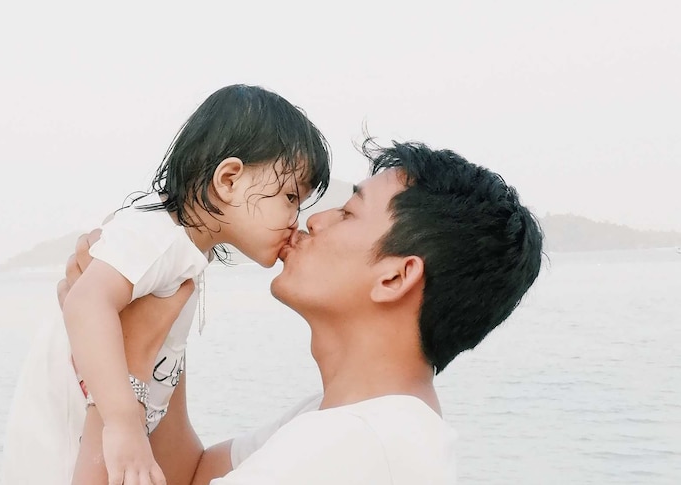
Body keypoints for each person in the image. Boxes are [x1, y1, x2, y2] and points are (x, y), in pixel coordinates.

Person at [59, 138, 544, 484]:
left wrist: (126, 363)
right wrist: (160, 310)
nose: (314, 218)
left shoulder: (353, 447)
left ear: (395, 277)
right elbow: (191, 474)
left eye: (349, 212)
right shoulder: (353, 422)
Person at [1, 84, 330, 485]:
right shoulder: (155, 234)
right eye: (291, 196)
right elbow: (84, 303)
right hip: (62, 448)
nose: (296, 218)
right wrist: (123, 423)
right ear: (228, 179)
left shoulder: (183, 254)